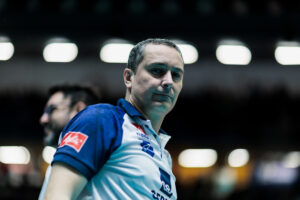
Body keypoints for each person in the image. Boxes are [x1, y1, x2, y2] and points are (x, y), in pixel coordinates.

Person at [43, 38, 185, 200]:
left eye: (176, 75)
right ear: (128, 78)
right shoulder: (101, 120)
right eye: (157, 71)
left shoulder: (163, 155)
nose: (168, 82)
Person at [38, 84, 100, 200]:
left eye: (51, 109)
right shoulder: (64, 160)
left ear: (78, 109)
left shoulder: (93, 158)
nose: (43, 119)